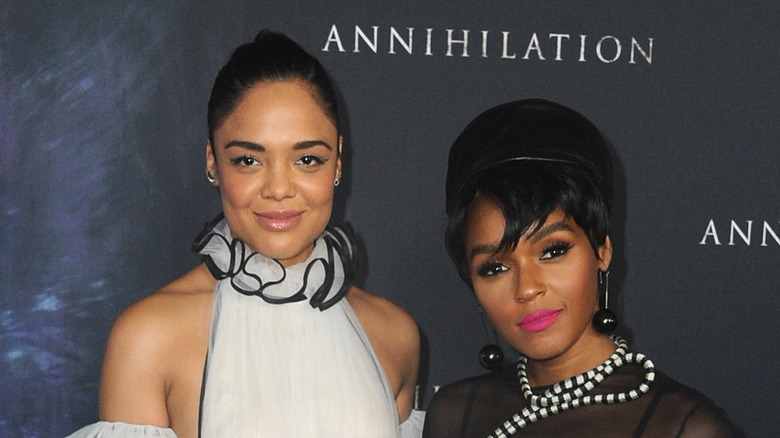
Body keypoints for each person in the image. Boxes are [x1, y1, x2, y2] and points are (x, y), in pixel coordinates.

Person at [68, 30, 423, 437]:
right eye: (249, 160)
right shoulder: (148, 337)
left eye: (307, 159)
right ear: (213, 162)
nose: (278, 188)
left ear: (338, 162)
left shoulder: (394, 335)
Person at [422, 99, 735, 437]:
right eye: (495, 268)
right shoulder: (453, 412)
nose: (527, 288)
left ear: (602, 250)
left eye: (553, 251)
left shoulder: (683, 425)